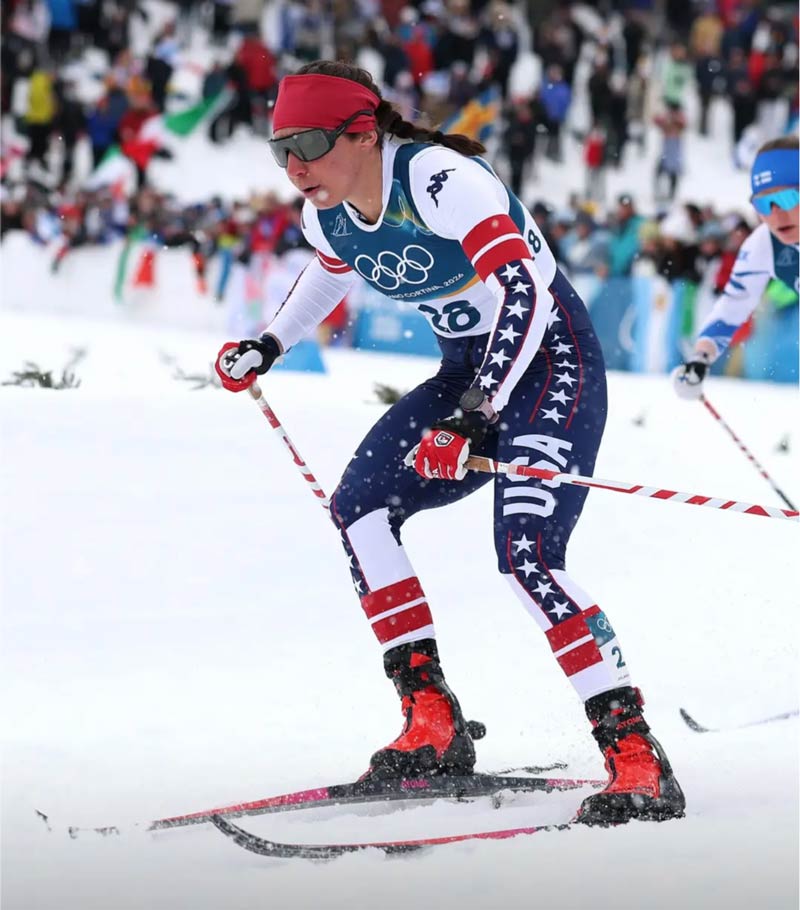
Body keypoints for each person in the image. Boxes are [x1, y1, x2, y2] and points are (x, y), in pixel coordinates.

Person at [215, 60, 685, 827]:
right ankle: (430, 721)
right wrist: (269, 344)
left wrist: (475, 416)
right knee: (359, 508)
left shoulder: (437, 178)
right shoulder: (325, 210)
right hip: (469, 372)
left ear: (363, 134)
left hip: (549, 362)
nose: (293, 165)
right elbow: (333, 273)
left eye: (307, 142)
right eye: (280, 149)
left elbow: (526, 293)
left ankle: (634, 755)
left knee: (525, 554)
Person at [673, 136, 799, 398]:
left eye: (787, 198)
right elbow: (732, 306)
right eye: (763, 203)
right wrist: (700, 357)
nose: (776, 215)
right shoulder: (765, 244)